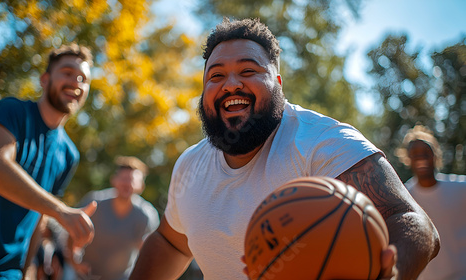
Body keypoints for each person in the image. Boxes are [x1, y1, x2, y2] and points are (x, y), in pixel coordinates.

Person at [130, 18, 440, 280]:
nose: (231, 84)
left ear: (278, 83)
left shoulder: (323, 142)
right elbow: (172, 243)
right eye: (216, 75)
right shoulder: (190, 165)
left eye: (248, 71)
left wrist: (392, 270)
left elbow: (412, 220)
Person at [0, 43, 97, 279]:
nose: (76, 82)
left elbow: (39, 215)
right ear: (45, 79)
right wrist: (62, 211)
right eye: (67, 72)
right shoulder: (10, 111)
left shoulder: (68, 154)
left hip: (8, 273)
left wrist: (26, 271)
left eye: (83, 78)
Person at [68, 156, 160, 280]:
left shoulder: (146, 216)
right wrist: (73, 262)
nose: (127, 183)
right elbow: (71, 229)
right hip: (85, 276)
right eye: (123, 178)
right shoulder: (94, 203)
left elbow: (149, 254)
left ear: (141, 186)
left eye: (132, 180)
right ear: (114, 180)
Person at [396, 124, 466, 280]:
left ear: (435, 155)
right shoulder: (403, 197)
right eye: (414, 153)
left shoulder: (461, 188)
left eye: (426, 152)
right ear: (408, 160)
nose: (421, 157)